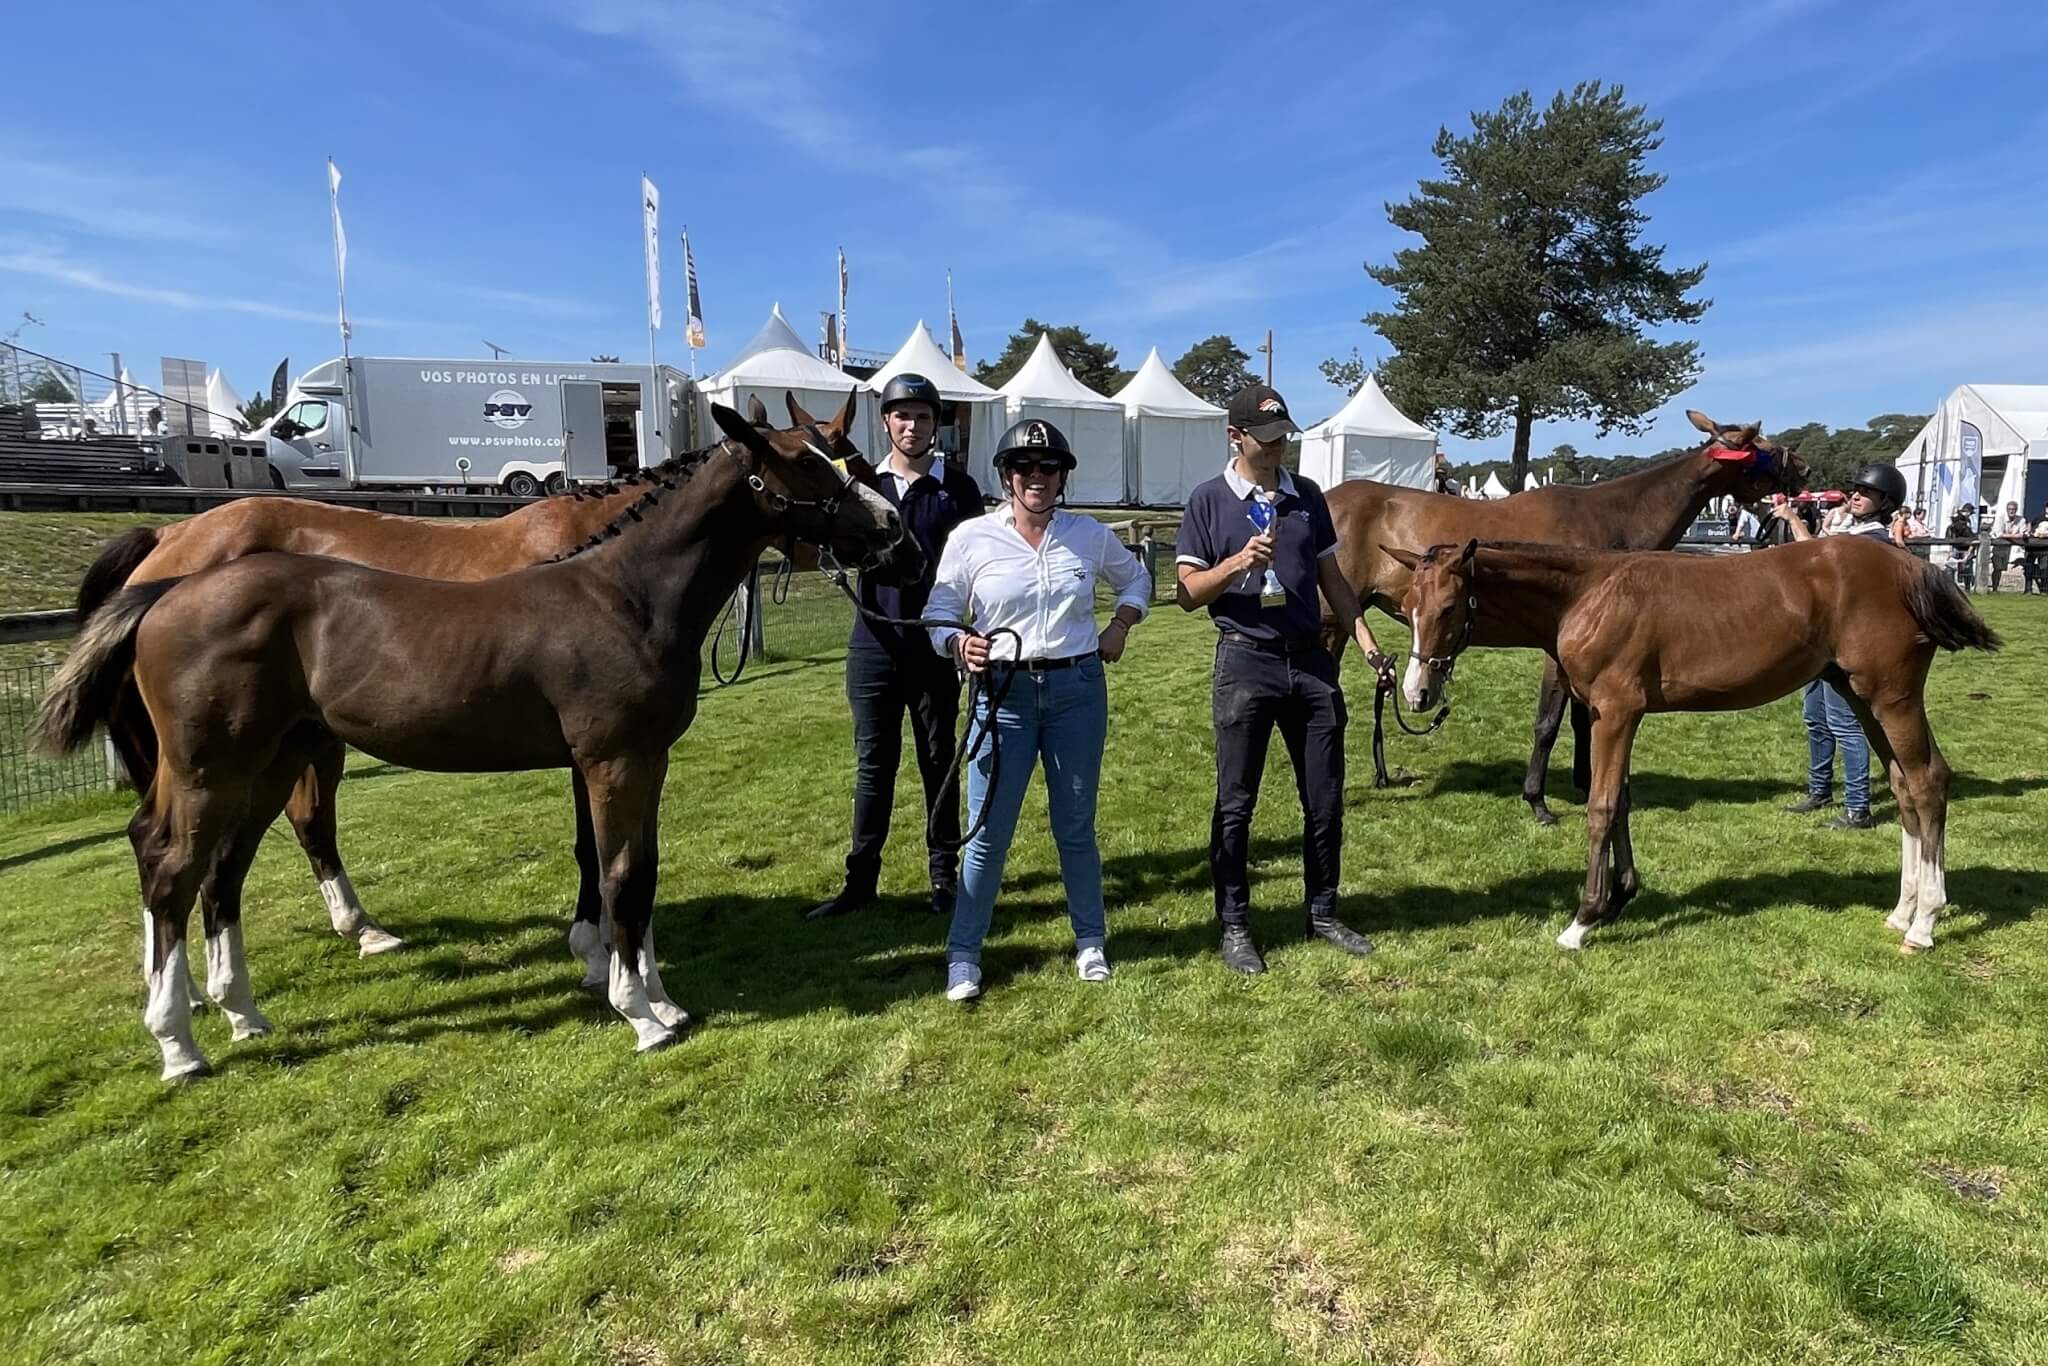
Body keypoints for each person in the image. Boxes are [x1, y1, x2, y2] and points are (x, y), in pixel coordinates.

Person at [923, 418, 1151, 1001]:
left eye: (1048, 468)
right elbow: (940, 608)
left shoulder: (1089, 535)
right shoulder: (973, 538)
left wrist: (1121, 624)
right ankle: (964, 954)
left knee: (1074, 825)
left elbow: (1137, 579)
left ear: (1062, 477)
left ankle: (1091, 940)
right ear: (1005, 475)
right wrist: (957, 642)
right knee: (987, 833)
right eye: (1024, 467)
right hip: (1004, 696)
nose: (1036, 478)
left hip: (1076, 690)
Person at [1175, 384, 1393, 974]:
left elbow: (1333, 580)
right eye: (1266, 440)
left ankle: (1323, 911)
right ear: (1236, 437)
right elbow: (1188, 594)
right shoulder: (1208, 501)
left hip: (1313, 663)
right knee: (1236, 804)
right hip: (1246, 662)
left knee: (1324, 801)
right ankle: (1235, 923)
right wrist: (1236, 564)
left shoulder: (1308, 498)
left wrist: (1368, 643)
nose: (1277, 450)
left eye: (1283, 438)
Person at [808, 374, 985, 921]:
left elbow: (979, 566)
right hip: (874, 644)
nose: (912, 426)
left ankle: (944, 879)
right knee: (873, 766)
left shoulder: (958, 488)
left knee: (939, 763)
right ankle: (860, 881)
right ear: (885, 422)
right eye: (902, 416)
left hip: (935, 646)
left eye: (923, 417)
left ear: (937, 424)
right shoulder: (860, 484)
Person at [1773, 462, 1905, 830]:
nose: (1856, 495)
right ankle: (1820, 789)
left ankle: (1858, 808)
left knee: (1845, 724)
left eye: (1867, 492)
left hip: (1845, 643)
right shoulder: (1855, 532)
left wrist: (1791, 518)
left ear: (1886, 502)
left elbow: (1812, 552)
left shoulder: (1871, 541)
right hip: (1820, 641)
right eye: (1856, 490)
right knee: (1815, 718)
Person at [1994, 502, 2030, 593]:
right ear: (2007, 509)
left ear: (2016, 510)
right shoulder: (2000, 518)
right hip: (1999, 545)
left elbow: (2023, 533)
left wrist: (2010, 536)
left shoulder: (2021, 519)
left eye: (2013, 509)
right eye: (2009, 509)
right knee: (1997, 568)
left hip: (2014, 547)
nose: (2011, 511)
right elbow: (1999, 534)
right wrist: (2015, 536)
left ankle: (2026, 590)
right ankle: (1995, 588)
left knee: (2005, 567)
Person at [1944, 508, 1977, 591]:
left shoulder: (1967, 530)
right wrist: (1950, 552)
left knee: (1967, 568)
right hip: (1955, 549)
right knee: (1950, 567)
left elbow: (1974, 541)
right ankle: (1950, 587)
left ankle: (1967, 588)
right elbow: (1949, 541)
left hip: (1966, 549)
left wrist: (1968, 555)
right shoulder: (1950, 529)